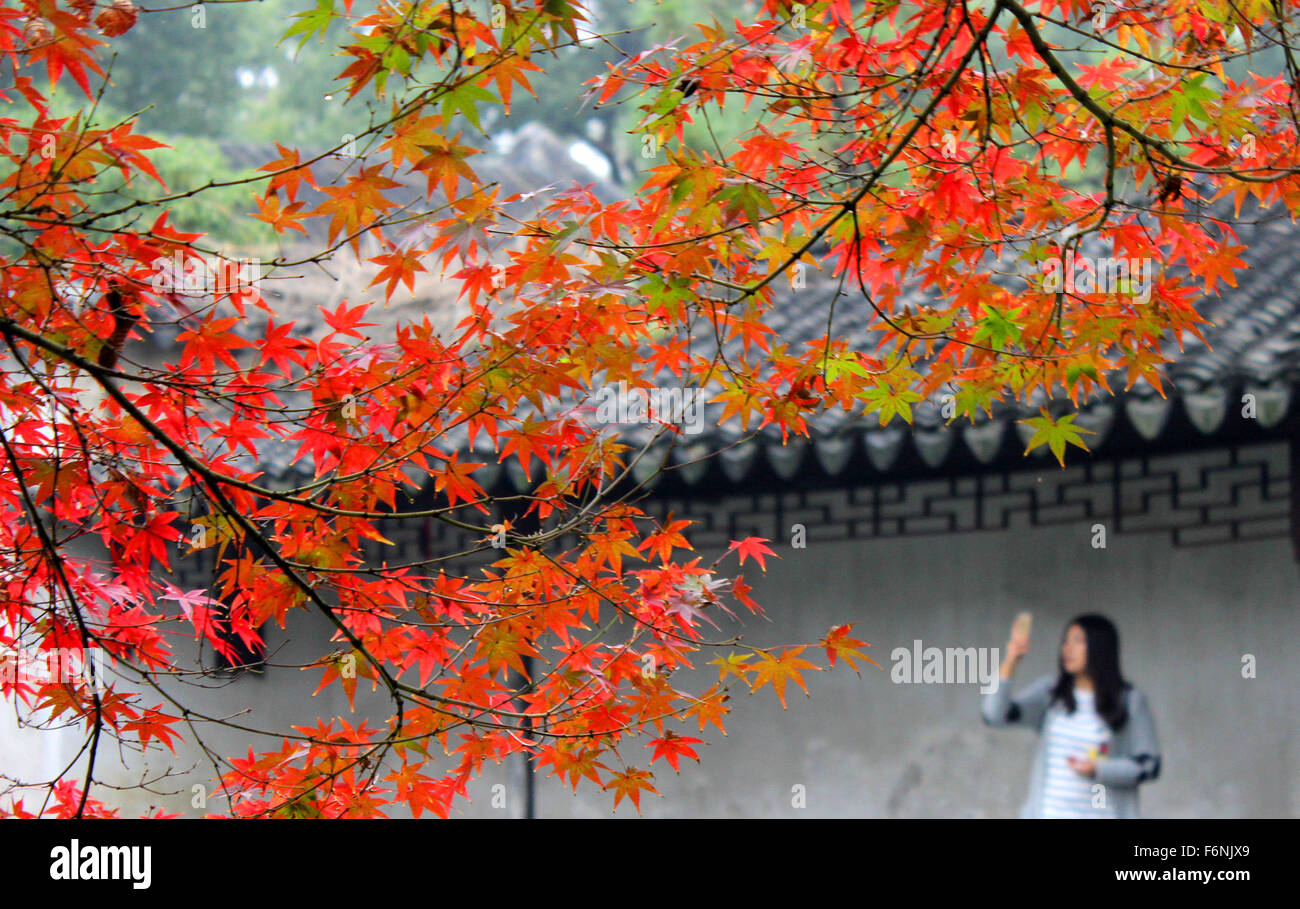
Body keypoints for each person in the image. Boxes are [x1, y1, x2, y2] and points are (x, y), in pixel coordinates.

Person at [982, 613, 1161, 818]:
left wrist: (1099, 770)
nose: (1068, 648)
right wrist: (1010, 661)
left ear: (1099, 647)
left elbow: (1150, 765)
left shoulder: (1130, 701)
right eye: (1065, 641)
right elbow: (993, 715)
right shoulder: (1052, 694)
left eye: (1078, 641)